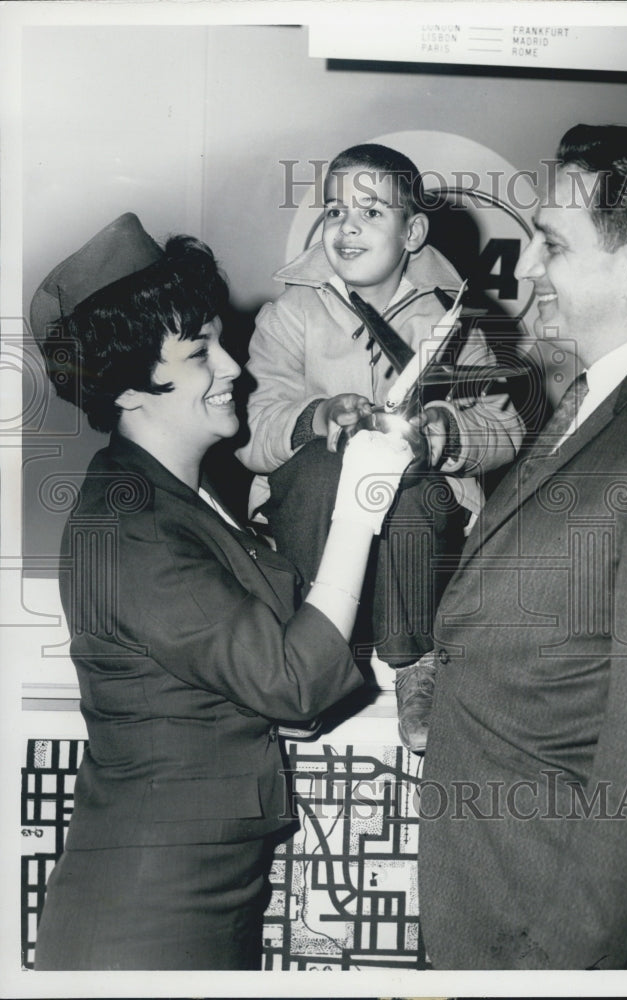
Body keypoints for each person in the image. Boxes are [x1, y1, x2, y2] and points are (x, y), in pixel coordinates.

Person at [417, 125, 627, 969]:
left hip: (560, 948)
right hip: (499, 910)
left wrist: (560, 970)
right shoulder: (600, 410)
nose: (527, 268)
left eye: (552, 244)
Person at [29, 213, 412, 970]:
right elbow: (294, 679)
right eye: (201, 350)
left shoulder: (181, 498)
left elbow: (262, 671)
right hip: (146, 916)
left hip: (200, 896)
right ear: (131, 385)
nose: (234, 366)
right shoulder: (132, 525)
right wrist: (360, 508)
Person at [236, 143, 524, 752]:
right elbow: (252, 428)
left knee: (412, 484)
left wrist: (440, 435)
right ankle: (313, 660)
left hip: (415, 543)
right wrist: (316, 418)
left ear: (413, 231)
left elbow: (504, 429)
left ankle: (414, 662)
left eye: (370, 213)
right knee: (322, 466)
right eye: (336, 211)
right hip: (311, 526)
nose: (347, 227)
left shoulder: (456, 323)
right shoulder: (288, 316)